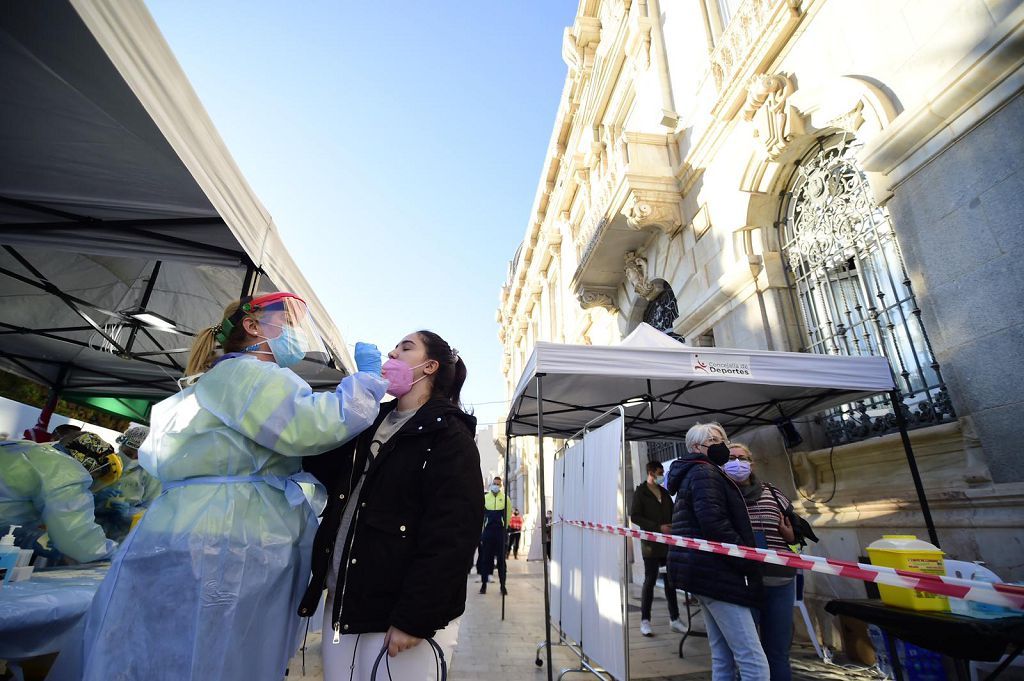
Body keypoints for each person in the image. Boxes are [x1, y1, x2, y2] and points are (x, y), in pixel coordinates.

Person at [63, 293, 388, 681]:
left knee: (163, 647)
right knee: (222, 653)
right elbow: (313, 426)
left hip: (188, 526)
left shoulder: (217, 379)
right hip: (232, 538)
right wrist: (366, 383)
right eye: (287, 321)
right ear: (252, 326)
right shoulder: (250, 374)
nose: (296, 333)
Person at [300, 330, 482, 680]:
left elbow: (453, 535)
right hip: (344, 599)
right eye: (394, 347)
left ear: (429, 367)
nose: (391, 353)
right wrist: (354, 398)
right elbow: (316, 457)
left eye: (405, 347)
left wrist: (415, 617)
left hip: (398, 613)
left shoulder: (448, 436)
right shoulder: (368, 421)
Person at [666, 422, 769, 681]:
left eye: (722, 438)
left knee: (722, 654)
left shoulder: (700, 472)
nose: (721, 444)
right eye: (713, 440)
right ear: (696, 447)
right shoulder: (704, 473)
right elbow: (714, 523)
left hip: (705, 571)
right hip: (717, 572)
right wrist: (745, 558)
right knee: (753, 660)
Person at [725, 442, 797, 681]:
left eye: (742, 458)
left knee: (778, 651)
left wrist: (792, 536)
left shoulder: (773, 492)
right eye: (731, 457)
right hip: (744, 582)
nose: (737, 462)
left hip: (781, 579)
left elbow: (797, 532)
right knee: (747, 654)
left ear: (751, 462)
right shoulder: (722, 495)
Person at [0, 433, 119, 563]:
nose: (93, 481)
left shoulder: (25, 448)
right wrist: (117, 553)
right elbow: (79, 542)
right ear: (90, 463)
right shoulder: (66, 470)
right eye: (96, 474)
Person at [630, 460, 684, 637]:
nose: (662, 476)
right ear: (651, 472)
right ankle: (645, 620)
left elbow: (673, 510)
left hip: (667, 544)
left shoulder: (664, 492)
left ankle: (675, 618)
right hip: (651, 545)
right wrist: (657, 527)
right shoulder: (641, 492)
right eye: (660, 473)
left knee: (670, 581)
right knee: (650, 581)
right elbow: (635, 516)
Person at [94, 425, 160, 542]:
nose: (132, 459)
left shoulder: (151, 475)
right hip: (89, 526)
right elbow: (78, 494)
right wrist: (94, 499)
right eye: (128, 453)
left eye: (138, 456)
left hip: (121, 535)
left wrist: (129, 514)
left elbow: (153, 510)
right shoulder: (103, 463)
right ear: (121, 446)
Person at [477, 476, 510, 594]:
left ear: (501, 486)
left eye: (498, 484)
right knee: (486, 559)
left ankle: (503, 586)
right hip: (488, 532)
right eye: (494, 483)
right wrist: (481, 534)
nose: (496, 486)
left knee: (501, 561)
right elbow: (480, 517)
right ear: (491, 484)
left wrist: (505, 532)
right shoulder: (485, 498)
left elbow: (508, 517)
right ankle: (483, 585)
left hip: (500, 533)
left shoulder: (506, 499)